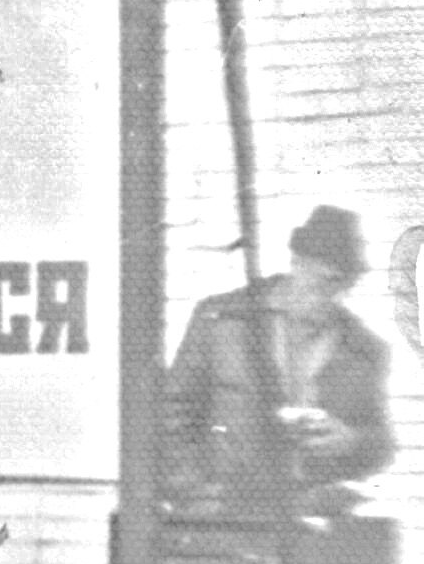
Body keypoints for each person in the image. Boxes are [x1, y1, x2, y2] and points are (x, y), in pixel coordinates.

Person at [164, 204, 393, 516]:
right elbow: (171, 413)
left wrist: (350, 441)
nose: (336, 297)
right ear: (298, 263)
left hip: (312, 522)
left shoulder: (364, 349)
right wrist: (194, 493)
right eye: (327, 282)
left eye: (345, 286)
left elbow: (382, 444)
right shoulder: (223, 320)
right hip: (227, 517)